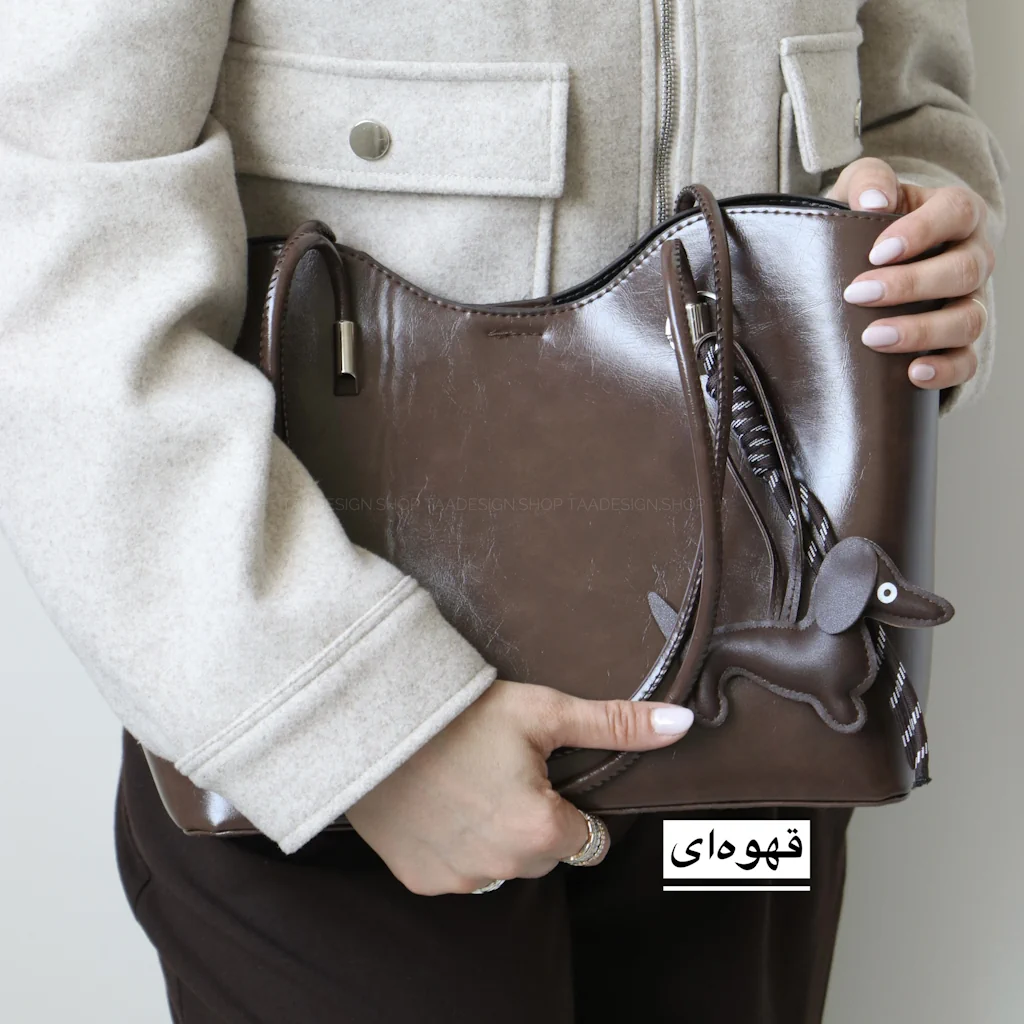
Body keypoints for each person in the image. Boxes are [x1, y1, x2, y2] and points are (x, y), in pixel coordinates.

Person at [0, 2, 1005, 1022]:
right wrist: (362, 728)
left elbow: (908, 109)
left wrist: (919, 244)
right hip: (349, 735)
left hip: (754, 720)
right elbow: (57, 238)